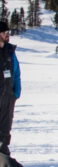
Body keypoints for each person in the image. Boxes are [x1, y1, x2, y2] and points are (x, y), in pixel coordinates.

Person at [0, 20, 21, 156]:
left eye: (8, 32)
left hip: (8, 98)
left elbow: (16, 72)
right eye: (5, 32)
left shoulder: (9, 51)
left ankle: (3, 160)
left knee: (5, 132)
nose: (8, 35)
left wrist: (16, 92)